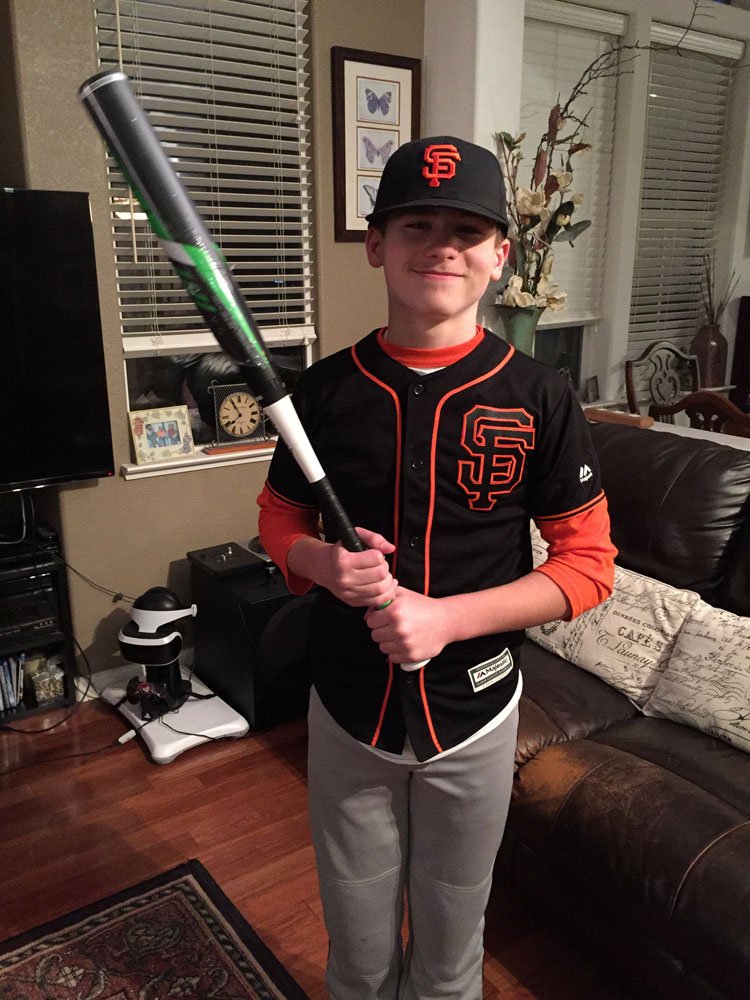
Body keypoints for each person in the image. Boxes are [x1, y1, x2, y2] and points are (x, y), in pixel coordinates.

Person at [257, 135, 616, 1000]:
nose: (442, 246)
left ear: (501, 256)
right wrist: (320, 564)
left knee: (452, 947)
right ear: (377, 245)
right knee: (357, 941)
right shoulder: (323, 392)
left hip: (476, 712)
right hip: (348, 709)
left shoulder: (540, 396)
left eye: (467, 230)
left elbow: (589, 566)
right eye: (417, 225)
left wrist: (446, 618)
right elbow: (279, 520)